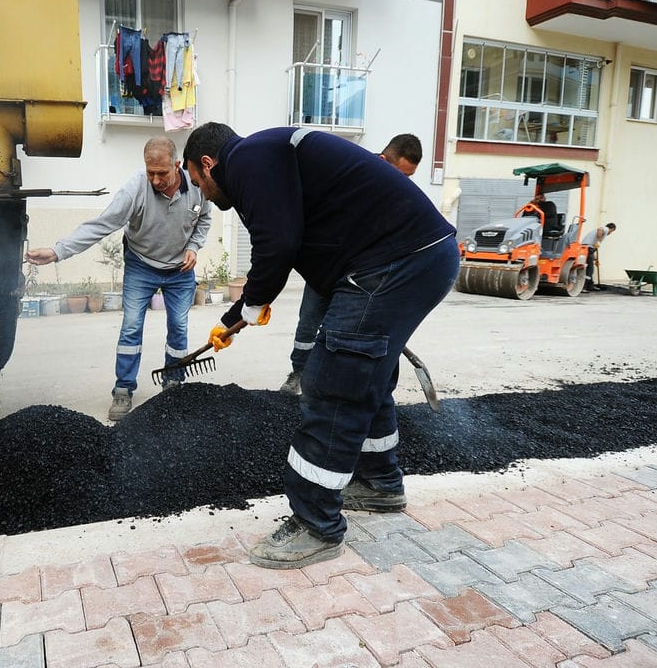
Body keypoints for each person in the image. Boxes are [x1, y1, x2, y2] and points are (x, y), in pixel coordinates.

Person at [183, 123, 459, 569]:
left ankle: (316, 524)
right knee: (368, 374)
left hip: (397, 261)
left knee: (333, 383)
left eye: (198, 182)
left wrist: (250, 308)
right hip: (414, 256)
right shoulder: (268, 154)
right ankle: (380, 483)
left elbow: (277, 242)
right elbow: (294, 238)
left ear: (208, 164)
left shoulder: (247, 159)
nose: (204, 193)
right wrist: (237, 316)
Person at [25, 138, 212, 421]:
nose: (156, 179)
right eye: (151, 172)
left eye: (162, 172)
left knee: (179, 326)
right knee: (131, 326)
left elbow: (205, 220)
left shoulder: (196, 186)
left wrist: (194, 247)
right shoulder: (135, 188)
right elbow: (102, 225)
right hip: (141, 265)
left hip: (179, 270)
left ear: (177, 165)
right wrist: (57, 251)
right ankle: (123, 388)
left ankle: (174, 383)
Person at [280, 133, 424, 396]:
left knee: (346, 331)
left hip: (361, 276)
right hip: (325, 268)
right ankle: (299, 373)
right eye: (400, 175)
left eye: (409, 178)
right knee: (309, 322)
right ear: (382, 161)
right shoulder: (351, 175)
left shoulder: (395, 197)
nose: (403, 183)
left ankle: (328, 383)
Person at [582, 222, 616, 291]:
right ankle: (584, 287)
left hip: (586, 248)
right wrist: (598, 242)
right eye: (612, 232)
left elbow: (593, 247)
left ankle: (590, 286)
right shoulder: (606, 229)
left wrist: (595, 258)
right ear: (611, 229)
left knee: (590, 268)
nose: (610, 233)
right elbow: (600, 230)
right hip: (588, 248)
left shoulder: (603, 231)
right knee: (590, 269)